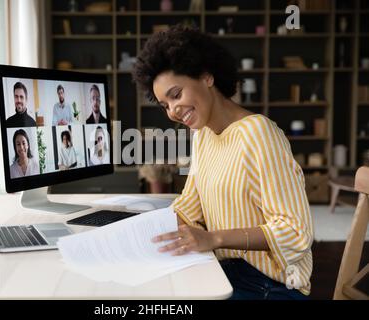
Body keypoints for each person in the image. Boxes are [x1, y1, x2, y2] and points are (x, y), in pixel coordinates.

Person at [132, 25, 313, 300]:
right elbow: (189, 208)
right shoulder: (203, 136)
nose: (172, 112)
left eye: (176, 94)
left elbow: (295, 231)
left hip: (271, 285)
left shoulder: (259, 133)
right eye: (164, 105)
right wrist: (135, 230)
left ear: (206, 76)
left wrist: (214, 238)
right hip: (226, 271)